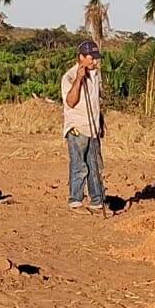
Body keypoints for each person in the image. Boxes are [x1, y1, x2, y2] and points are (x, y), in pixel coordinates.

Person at [62, 41, 106, 215]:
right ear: (81, 57)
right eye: (91, 58)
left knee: (95, 166)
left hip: (93, 128)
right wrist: (79, 79)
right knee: (79, 166)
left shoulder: (95, 76)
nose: (94, 62)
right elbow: (71, 102)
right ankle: (76, 201)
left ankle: (97, 201)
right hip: (77, 128)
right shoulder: (70, 76)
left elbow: (95, 103)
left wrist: (101, 123)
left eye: (96, 58)